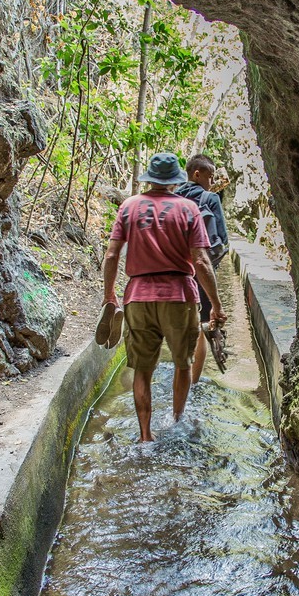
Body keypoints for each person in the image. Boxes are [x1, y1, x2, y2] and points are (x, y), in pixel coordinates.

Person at [101, 152, 226, 442]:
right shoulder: (188, 209)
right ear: (176, 180)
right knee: (182, 362)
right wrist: (216, 305)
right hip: (179, 295)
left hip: (137, 296)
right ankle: (177, 420)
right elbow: (202, 261)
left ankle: (145, 435)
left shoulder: (129, 206)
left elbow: (111, 254)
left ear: (149, 177)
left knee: (142, 368)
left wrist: (110, 295)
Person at [177, 153, 230, 384]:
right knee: (199, 328)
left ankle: (177, 377)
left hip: (175, 274)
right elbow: (222, 241)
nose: (211, 181)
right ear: (197, 174)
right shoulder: (210, 198)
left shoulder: (171, 198)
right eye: (210, 176)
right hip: (200, 272)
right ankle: (192, 385)